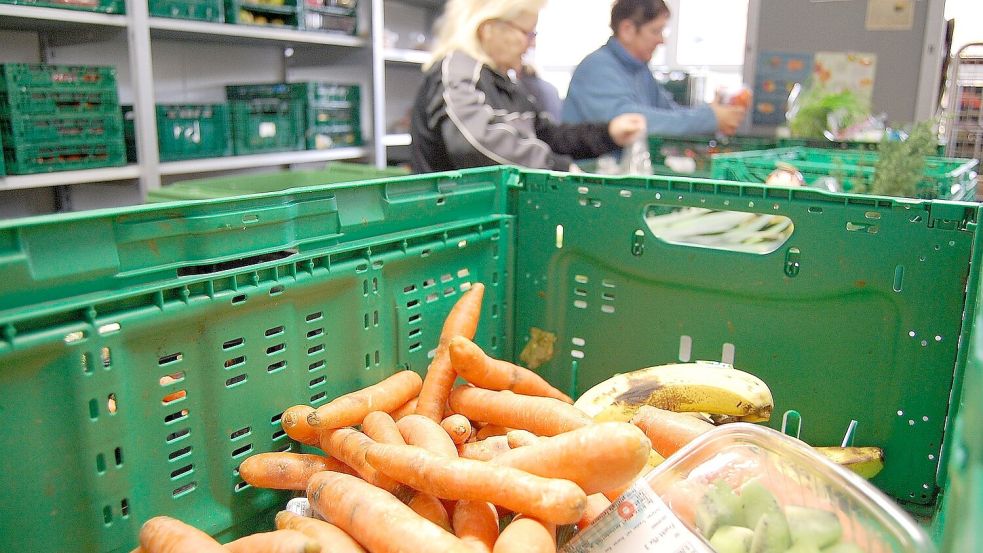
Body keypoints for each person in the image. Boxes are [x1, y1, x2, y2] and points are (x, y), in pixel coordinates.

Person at [410, 0, 645, 174]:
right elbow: (474, 143)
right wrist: (557, 168)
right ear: (489, 28)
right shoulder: (456, 70)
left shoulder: (506, 83)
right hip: (452, 219)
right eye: (527, 33)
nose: (531, 44)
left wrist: (608, 133)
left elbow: (547, 135)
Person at [562, 0, 747, 136]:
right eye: (655, 31)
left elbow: (668, 112)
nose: (662, 40)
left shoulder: (640, 70)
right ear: (627, 29)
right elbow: (632, 123)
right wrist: (709, 119)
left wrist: (710, 112)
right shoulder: (596, 69)